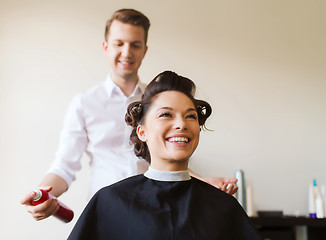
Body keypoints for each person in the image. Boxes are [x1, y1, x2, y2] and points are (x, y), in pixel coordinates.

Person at [21, 9, 238, 221]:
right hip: (107, 212)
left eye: (135, 45)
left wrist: (204, 183)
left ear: (144, 50)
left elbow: (169, 158)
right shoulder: (84, 102)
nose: (127, 52)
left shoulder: (162, 102)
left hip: (156, 210)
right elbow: (64, 166)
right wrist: (43, 194)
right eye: (119, 43)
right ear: (106, 47)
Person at [67, 71, 261, 240]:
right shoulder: (109, 202)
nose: (181, 124)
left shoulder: (223, 206)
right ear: (142, 132)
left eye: (190, 116)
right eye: (166, 114)